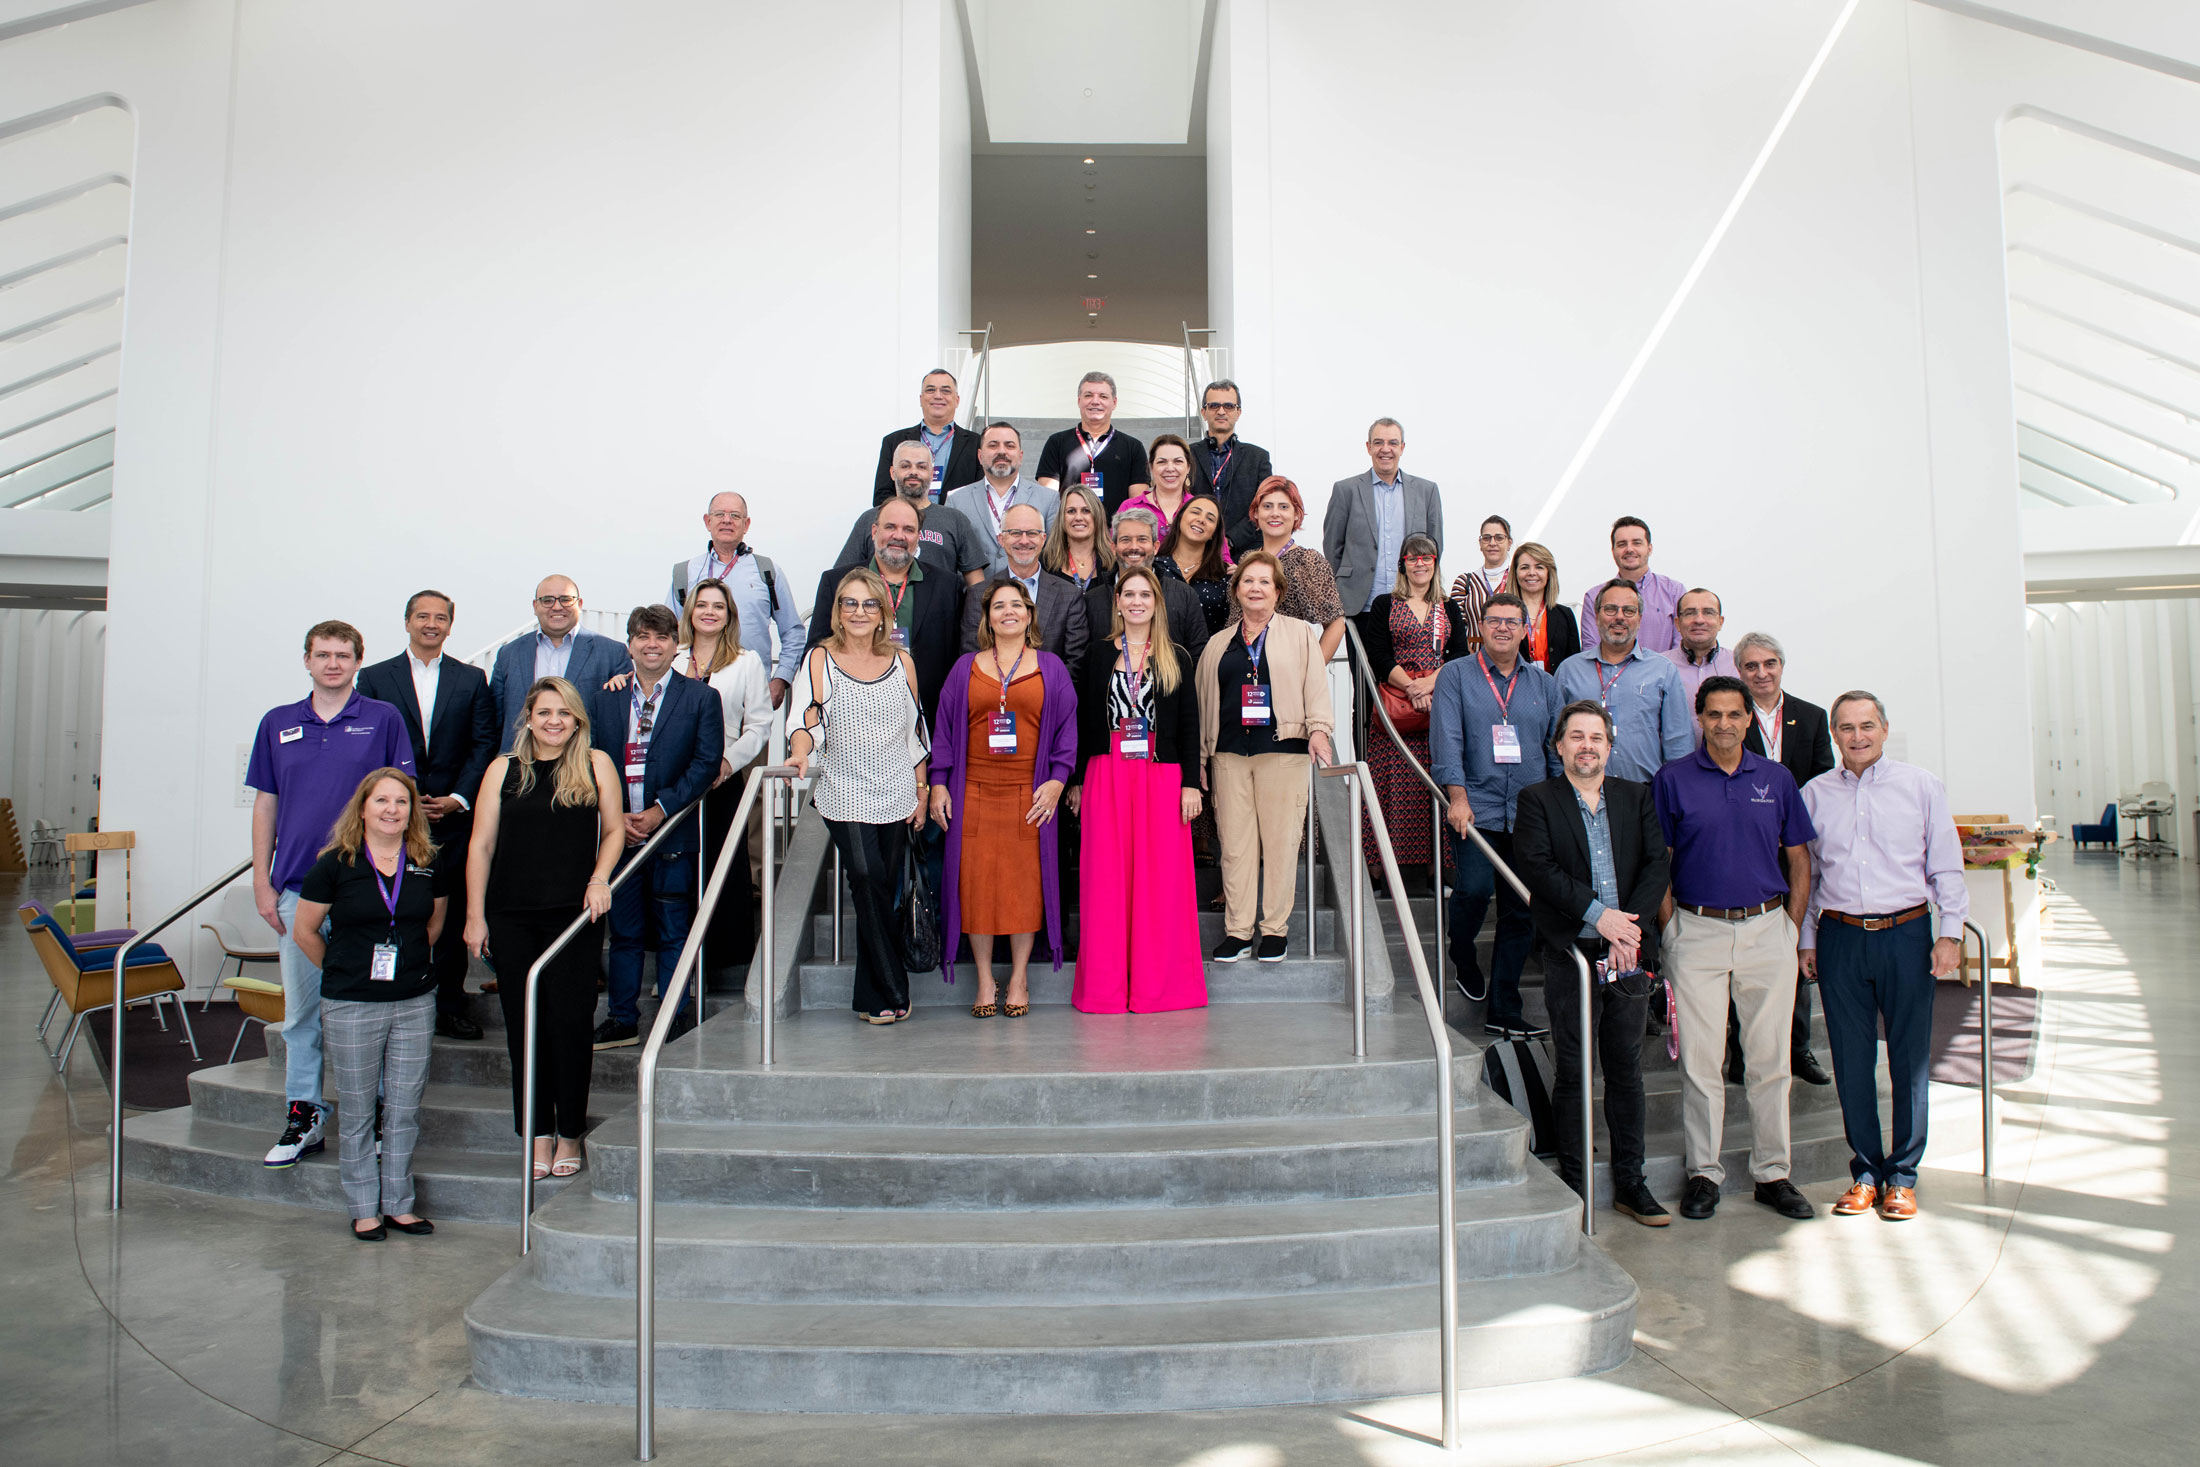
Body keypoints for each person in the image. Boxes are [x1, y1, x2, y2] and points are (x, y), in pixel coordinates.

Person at [246, 621, 417, 1171]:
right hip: (297, 889)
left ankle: (384, 1114)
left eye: (343, 655)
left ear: (358, 661)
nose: (333, 664)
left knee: (379, 1011)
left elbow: (401, 801)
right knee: (302, 1016)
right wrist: (260, 878)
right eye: (323, 655)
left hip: (368, 896)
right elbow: (265, 805)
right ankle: (305, 1116)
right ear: (307, 660)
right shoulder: (277, 724)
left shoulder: (382, 720)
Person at [1652, 674, 1817, 1224]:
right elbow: (1660, 863)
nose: (1724, 724)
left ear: (1751, 719)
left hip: (1767, 930)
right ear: (1699, 719)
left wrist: (1791, 927)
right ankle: (1704, 1171)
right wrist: (1672, 926)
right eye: (1714, 714)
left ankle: (1774, 1174)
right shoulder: (1672, 779)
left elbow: (1798, 858)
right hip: (1697, 932)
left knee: (1770, 1062)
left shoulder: (1777, 778)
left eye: (1735, 715)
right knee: (1701, 1063)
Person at [1800, 692, 1968, 1222]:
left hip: (1907, 933)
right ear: (1833, 734)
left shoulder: (1921, 786)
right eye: (1846, 728)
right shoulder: (1814, 794)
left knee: (1909, 1057)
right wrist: (1807, 939)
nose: (1857, 737)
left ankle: (1903, 1176)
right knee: (1851, 1061)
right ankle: (1866, 1173)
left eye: (1867, 725)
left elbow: (1946, 863)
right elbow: (1810, 876)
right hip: (1841, 937)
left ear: (1885, 729)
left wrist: (1952, 932)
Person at [1512, 701, 1672, 1226]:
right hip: (1571, 957)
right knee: (1576, 1071)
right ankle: (1577, 1182)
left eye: (1596, 737)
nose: (1587, 746)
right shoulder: (1537, 799)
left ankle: (1632, 1182)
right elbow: (1538, 868)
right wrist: (1599, 916)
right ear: (1559, 747)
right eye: (1576, 737)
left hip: (1626, 956)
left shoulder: (1635, 797)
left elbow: (1654, 865)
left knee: (1626, 1071)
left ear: (1610, 745)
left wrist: (1631, 928)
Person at [465, 676, 623, 1182]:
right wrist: (474, 916)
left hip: (575, 915)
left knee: (571, 1025)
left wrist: (600, 878)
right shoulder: (502, 770)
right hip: (511, 916)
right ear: (528, 718)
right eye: (544, 712)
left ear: (577, 719)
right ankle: (536, 1131)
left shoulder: (596, 763)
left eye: (564, 713)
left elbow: (616, 829)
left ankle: (570, 1131)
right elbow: (481, 846)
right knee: (524, 1027)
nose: (554, 721)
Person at [291, 768, 446, 1239]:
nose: (392, 810)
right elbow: (304, 931)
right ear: (363, 808)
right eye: (382, 801)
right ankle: (364, 1207)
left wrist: (409, 968)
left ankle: (399, 1203)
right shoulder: (334, 864)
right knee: (358, 1110)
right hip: (353, 1004)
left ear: (411, 811)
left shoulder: (426, 861)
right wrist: (343, 971)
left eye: (401, 802)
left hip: (413, 1002)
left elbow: (432, 926)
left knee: (402, 1108)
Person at [928, 579, 1078, 1018]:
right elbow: (944, 731)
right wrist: (939, 782)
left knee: (1023, 886)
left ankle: (1017, 977)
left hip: (1029, 794)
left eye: (1016, 605)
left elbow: (1067, 730)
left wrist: (1058, 780)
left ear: (1030, 615)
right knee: (974, 886)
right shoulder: (964, 668)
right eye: (998, 606)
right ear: (987, 617)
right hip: (971, 790)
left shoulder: (1051, 667)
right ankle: (984, 979)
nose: (1007, 612)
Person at [788, 569, 930, 1023]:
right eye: (849, 603)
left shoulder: (901, 660)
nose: (859, 611)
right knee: (866, 877)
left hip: (897, 790)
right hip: (844, 789)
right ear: (837, 611)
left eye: (869, 603)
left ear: (882, 611)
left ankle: (874, 998)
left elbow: (914, 730)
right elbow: (807, 717)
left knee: (881, 889)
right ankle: (894, 986)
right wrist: (799, 753)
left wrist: (922, 790)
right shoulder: (819, 659)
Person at [354, 591, 497, 1040]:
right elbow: (369, 745)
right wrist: (406, 797)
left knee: (451, 918)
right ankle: (395, 998)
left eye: (440, 618)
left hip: (454, 820)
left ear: (450, 626)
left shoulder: (472, 678)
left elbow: (483, 744)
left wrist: (458, 797)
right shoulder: (375, 678)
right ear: (407, 622)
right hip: (395, 820)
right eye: (422, 616)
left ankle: (448, 1006)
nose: (431, 624)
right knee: (397, 911)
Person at [583, 606, 724, 1048]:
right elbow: (586, 759)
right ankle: (622, 1019)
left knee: (672, 930)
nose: (652, 645)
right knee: (623, 933)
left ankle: (675, 1017)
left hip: (672, 832)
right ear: (629, 644)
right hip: (617, 834)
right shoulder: (603, 698)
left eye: (661, 637)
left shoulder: (701, 697)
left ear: (674, 644)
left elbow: (705, 764)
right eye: (643, 636)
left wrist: (662, 809)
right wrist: (614, 817)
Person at [1069, 567, 1206, 1013]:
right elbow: (1086, 721)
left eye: (1145, 594)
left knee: (1160, 884)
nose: (1136, 601)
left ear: (1157, 602)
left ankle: (1159, 988)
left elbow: (1189, 725)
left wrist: (1190, 782)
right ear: (1118, 602)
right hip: (1106, 772)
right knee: (1106, 883)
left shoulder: (1176, 657)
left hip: (1160, 774)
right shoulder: (1098, 654)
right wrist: (1076, 778)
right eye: (1128, 593)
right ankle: (1105, 991)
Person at [1429, 593, 1564, 1032]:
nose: (1503, 628)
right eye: (1494, 621)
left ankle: (1505, 1009)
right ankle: (1461, 950)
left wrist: (1562, 807)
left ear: (1525, 629)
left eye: (1512, 621)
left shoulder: (1544, 684)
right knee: (1472, 889)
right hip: (1476, 808)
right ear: (1480, 628)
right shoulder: (1456, 675)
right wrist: (1458, 797)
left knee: (1521, 910)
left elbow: (1555, 748)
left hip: (1531, 813)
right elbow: (1447, 740)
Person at [1196, 551, 1336, 963]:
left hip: (1284, 750)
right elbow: (1206, 702)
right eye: (1247, 581)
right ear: (1236, 590)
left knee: (1279, 843)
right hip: (1229, 755)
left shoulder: (1299, 634)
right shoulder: (1218, 643)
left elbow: (1315, 686)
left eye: (1264, 582)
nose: (1255, 588)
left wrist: (1319, 730)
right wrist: (1203, 756)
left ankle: (1274, 929)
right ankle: (1238, 932)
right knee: (1236, 847)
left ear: (1278, 592)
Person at [1735, 630, 1836, 1087]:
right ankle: (1740, 1053)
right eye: (1751, 666)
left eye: (1769, 663)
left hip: (1795, 848)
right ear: (1739, 671)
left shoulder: (1811, 718)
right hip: (1748, 848)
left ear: (1781, 666)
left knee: (1794, 947)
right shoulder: (1730, 716)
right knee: (1743, 957)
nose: (1761, 673)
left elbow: (1821, 784)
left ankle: (1798, 1048)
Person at [672, 579, 777, 976]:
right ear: (691, 612)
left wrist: (728, 764)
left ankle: (715, 962)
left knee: (719, 870)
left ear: (730, 614)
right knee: (677, 874)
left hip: (721, 778)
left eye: (718, 606)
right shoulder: (673, 656)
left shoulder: (746, 660)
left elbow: (760, 724)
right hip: (676, 780)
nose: (710, 612)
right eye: (702, 605)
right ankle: (674, 962)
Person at [1362, 534, 1470, 884]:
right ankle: (1383, 869)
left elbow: (1459, 654)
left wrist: (1428, 685)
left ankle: (1439, 868)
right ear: (1403, 564)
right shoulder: (1384, 604)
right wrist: (1410, 686)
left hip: (1441, 703)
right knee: (1387, 786)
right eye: (1413, 558)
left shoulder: (1448, 606)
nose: (1420, 564)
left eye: (1427, 558)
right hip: (1396, 707)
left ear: (1435, 562)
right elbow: (1377, 653)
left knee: (1436, 788)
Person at [809, 495, 962, 731]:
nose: (899, 536)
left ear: (918, 536)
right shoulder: (835, 581)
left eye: (908, 529)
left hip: (927, 720)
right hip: (851, 721)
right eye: (890, 527)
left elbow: (954, 658)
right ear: (873, 531)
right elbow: (815, 650)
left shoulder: (947, 586)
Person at [665, 491, 808, 708]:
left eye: (735, 515)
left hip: (750, 694)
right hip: (691, 691)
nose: (726, 521)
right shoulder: (684, 573)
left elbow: (793, 632)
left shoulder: (767, 571)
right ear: (707, 521)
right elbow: (667, 633)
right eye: (720, 514)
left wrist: (781, 680)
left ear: (746, 524)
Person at [1554, 580, 1693, 783]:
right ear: (1597, 615)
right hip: (1580, 793)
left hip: (1645, 795)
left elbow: (1678, 742)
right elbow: (1555, 737)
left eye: (1628, 610)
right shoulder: (1569, 670)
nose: (1619, 617)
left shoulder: (1663, 670)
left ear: (1640, 618)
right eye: (1610, 609)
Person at [489, 576, 632, 752]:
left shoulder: (613, 653)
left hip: (584, 766)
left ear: (579, 604)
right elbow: (494, 720)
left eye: (565, 599)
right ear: (535, 606)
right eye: (547, 600)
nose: (557, 607)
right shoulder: (509, 654)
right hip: (520, 767)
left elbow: (622, 723)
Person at [1323, 418, 1443, 618]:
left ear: (1402, 448)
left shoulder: (1426, 491)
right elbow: (1332, 546)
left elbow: (1435, 545)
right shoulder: (1346, 490)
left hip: (1412, 602)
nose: (1385, 449)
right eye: (1378, 442)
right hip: (1360, 605)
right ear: (1368, 447)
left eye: (1393, 443)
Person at [958, 502, 1089, 674]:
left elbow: (1075, 661)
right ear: (1001, 539)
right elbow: (972, 656)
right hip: (994, 696)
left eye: (1032, 533)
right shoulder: (978, 594)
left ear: (1043, 539)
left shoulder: (1069, 595)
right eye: (1015, 533)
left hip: (1051, 696)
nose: (1024, 541)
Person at [840, 441, 989, 585]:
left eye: (921, 467)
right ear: (892, 472)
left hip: (941, 609)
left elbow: (976, 586)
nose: (913, 472)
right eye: (905, 466)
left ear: (932, 473)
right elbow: (843, 578)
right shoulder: (869, 519)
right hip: (880, 608)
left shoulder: (955, 520)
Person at [1233, 476, 1347, 662]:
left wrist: (1312, 671)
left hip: (1285, 667)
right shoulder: (1247, 559)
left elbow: (1335, 624)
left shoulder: (1307, 561)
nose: (1275, 513)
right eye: (1267, 506)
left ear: (1296, 514)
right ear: (1256, 513)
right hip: (1240, 665)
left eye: (1284, 507)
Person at [1085, 506, 1213, 668]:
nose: (1134, 546)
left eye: (1142, 539)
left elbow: (1198, 657)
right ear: (1113, 547)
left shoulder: (1184, 595)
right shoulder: (1092, 599)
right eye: (1125, 540)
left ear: (1156, 546)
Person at [942, 422, 1058, 571]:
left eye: (1009, 446)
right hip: (972, 592)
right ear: (980, 455)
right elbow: (949, 558)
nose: (1001, 451)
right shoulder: (956, 500)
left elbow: (1052, 556)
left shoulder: (1048, 499)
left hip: (1028, 592)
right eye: (993, 445)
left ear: (1020, 456)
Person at [1035, 370, 1150, 513]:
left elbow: (1136, 506)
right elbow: (1047, 498)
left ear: (1114, 403)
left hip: (1114, 532)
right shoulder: (1056, 443)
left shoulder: (1133, 447)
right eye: (1088, 395)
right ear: (1079, 401)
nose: (1095, 401)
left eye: (1103, 396)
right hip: (1070, 530)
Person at [1188, 378, 1272, 557]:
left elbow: (1263, 508)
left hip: (1245, 553)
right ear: (1203, 412)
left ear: (1238, 412)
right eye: (1213, 406)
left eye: (1228, 406)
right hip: (1195, 549)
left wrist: (1229, 541)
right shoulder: (1186, 455)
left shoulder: (1258, 458)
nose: (1221, 411)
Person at [873, 366, 980, 503]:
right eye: (930, 390)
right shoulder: (893, 441)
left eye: (945, 391)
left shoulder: (976, 443)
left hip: (955, 522)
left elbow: (979, 493)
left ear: (957, 400)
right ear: (921, 398)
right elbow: (882, 495)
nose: (938, 395)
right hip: (907, 522)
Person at [1580, 518, 1685, 654]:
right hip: (1609, 675)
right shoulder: (1594, 596)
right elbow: (1590, 650)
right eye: (1622, 544)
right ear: (1613, 551)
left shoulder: (1674, 592)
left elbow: (1681, 648)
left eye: (1637, 543)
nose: (1629, 549)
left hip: (1662, 674)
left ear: (1649, 548)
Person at [1155, 492, 1233, 638]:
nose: (1201, 520)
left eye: (1210, 519)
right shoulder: (1153, 567)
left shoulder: (1224, 575)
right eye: (1195, 512)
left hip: (1208, 657)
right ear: (1179, 518)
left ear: (1213, 534)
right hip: (1158, 656)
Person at [1508, 542, 1580, 674]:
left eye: (1539, 567)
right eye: (1524, 568)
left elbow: (1574, 663)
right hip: (1513, 690)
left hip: (1556, 690)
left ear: (1549, 573)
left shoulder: (1565, 615)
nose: (1531, 573)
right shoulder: (1505, 614)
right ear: (1515, 573)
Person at [1664, 588, 1739, 710]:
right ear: (1677, 623)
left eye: (1708, 612)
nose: (1699, 620)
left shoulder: (1738, 665)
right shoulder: (1658, 666)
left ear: (1721, 622)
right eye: (1690, 613)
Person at [1447, 515, 1514, 643]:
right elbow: (1456, 629)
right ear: (1480, 543)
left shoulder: (1518, 580)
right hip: (1473, 656)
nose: (1492, 543)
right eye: (1486, 538)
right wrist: (1472, 657)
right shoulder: (1464, 582)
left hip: (1511, 657)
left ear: (1509, 543)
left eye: (1499, 538)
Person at [1120, 434, 1198, 541]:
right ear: (1151, 467)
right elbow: (1116, 552)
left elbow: (1221, 555)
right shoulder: (1130, 507)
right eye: (1162, 462)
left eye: (1178, 461)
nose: (1170, 468)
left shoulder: (1201, 508)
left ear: (1188, 467)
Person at [1041, 483, 1114, 592]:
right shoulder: (1045, 562)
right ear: (1062, 518)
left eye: (1086, 510)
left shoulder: (1112, 562)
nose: (1078, 517)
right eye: (1071, 511)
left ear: (1097, 516)